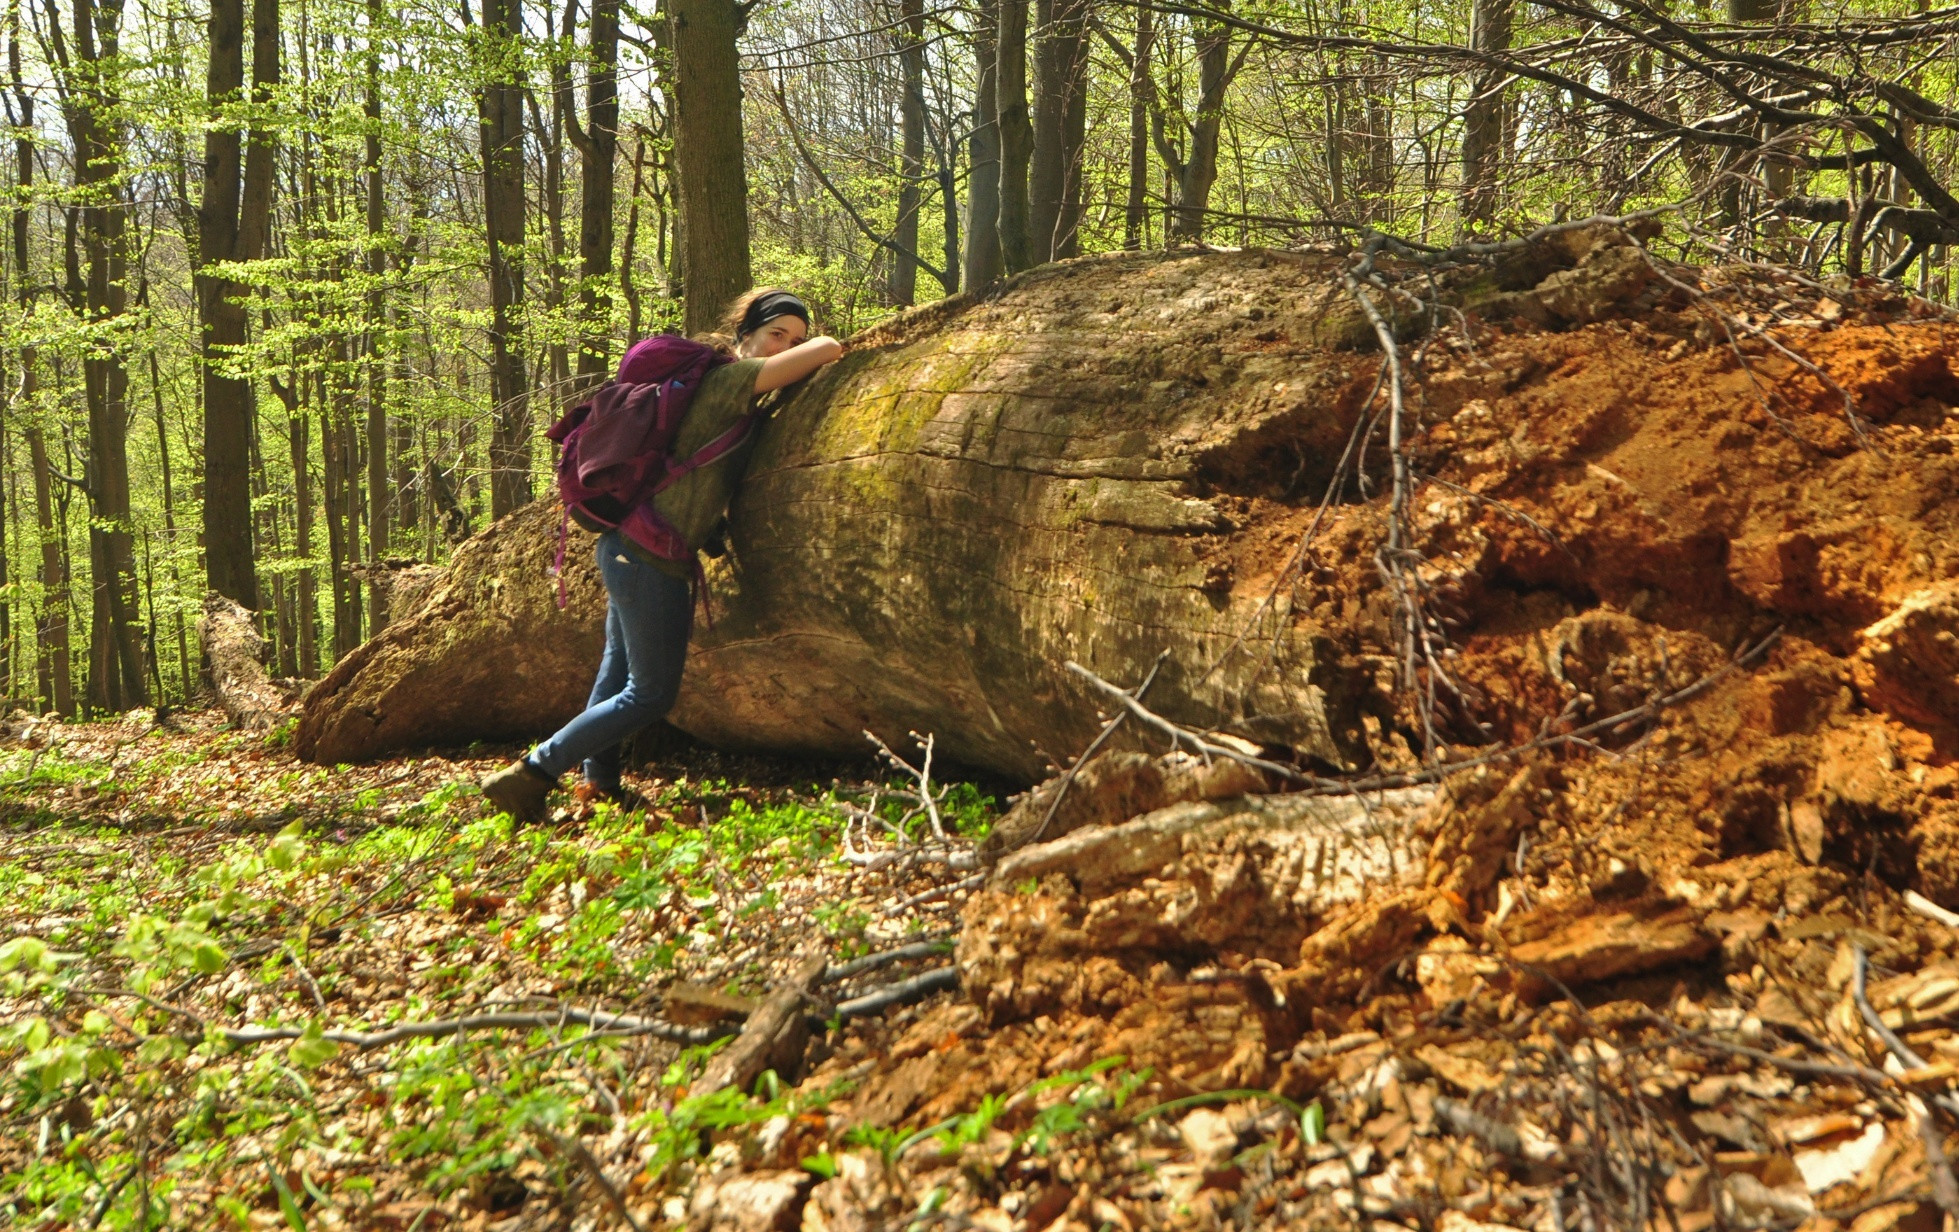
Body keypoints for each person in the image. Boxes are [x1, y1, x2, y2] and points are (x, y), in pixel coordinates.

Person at [480, 289, 844, 822]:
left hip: (629, 549)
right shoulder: (728, 382)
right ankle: (531, 772)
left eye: (795, 338)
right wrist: (820, 343)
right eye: (777, 334)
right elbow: (828, 350)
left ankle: (599, 783)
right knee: (650, 693)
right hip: (649, 560)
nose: (787, 346)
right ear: (746, 337)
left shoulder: (718, 389)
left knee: (617, 672)